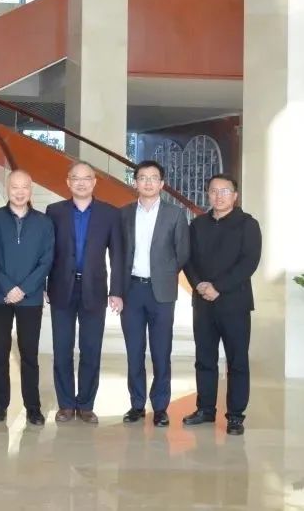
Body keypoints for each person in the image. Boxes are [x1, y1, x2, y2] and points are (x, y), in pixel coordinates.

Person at [45, 161, 125, 425]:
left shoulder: (109, 214)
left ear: (94, 182)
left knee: (91, 349)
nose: (81, 183)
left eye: (86, 178)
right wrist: (44, 284)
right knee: (62, 349)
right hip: (61, 288)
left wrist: (116, 290)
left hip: (94, 289)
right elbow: (46, 252)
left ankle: (86, 405)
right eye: (75, 178)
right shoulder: (54, 211)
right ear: (68, 182)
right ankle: (66, 404)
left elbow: (118, 255)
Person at [182, 174, 261, 436]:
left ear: (235, 195)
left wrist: (218, 287)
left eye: (225, 191)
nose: (219, 196)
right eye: (214, 191)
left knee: (237, 361)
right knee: (204, 359)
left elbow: (249, 262)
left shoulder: (247, 224)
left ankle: (235, 416)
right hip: (203, 303)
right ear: (208, 195)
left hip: (234, 303)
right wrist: (198, 285)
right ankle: (205, 409)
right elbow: (187, 259)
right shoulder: (197, 224)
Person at [119, 160, 190, 428]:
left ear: (162, 183)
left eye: (153, 178)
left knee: (161, 351)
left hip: (161, 292)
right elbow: (118, 253)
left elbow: (182, 253)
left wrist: (164, 274)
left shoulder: (175, 214)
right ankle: (137, 404)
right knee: (134, 351)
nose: (147, 182)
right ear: (135, 182)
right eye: (142, 177)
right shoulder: (124, 214)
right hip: (132, 291)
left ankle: (160, 407)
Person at [0, 169, 54, 426]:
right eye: (14, 187)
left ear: (31, 189)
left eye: (24, 187)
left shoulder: (44, 222)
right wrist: (7, 287)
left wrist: (24, 289)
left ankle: (33, 407)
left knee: (29, 355)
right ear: (7, 188)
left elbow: (46, 261)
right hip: (0, 297)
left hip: (31, 298)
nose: (19, 192)